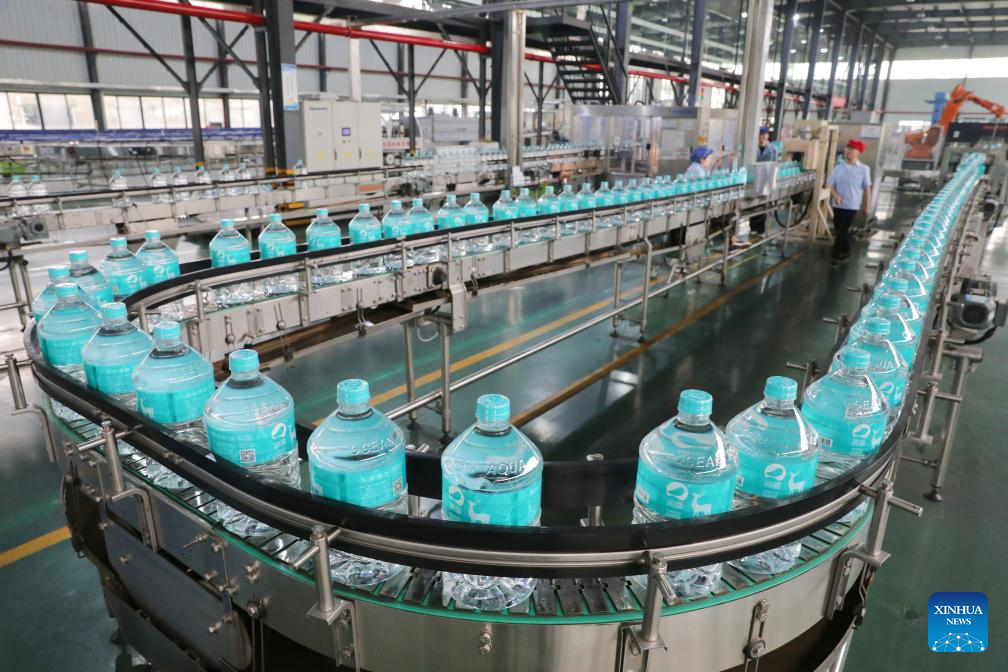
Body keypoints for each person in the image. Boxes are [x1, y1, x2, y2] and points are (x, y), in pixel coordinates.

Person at [825, 139, 872, 263]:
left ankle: (835, 256)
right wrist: (835, 195)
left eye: (852, 149)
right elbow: (830, 184)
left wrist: (867, 206)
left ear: (858, 152)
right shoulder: (838, 167)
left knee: (842, 229)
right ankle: (846, 250)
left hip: (852, 205)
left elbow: (867, 188)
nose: (848, 151)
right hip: (838, 205)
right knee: (839, 229)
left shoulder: (864, 169)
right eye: (847, 148)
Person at [750, 127, 778, 237]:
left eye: (765, 135)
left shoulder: (773, 149)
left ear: (767, 136)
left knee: (763, 204)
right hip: (754, 178)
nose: (763, 137)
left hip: (766, 179)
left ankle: (761, 230)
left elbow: (775, 165)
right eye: (761, 135)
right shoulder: (753, 148)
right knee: (752, 204)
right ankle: (753, 228)